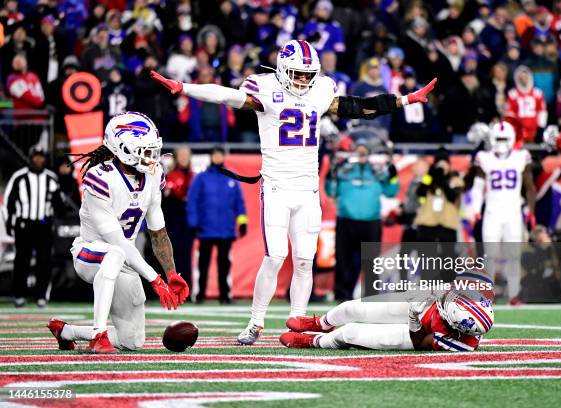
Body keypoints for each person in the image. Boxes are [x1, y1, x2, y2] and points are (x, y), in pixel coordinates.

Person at [151, 39, 437, 345]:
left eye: (307, 74)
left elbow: (358, 107)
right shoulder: (265, 89)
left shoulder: (320, 90)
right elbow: (227, 96)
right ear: (283, 69)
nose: (302, 80)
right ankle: (255, 321)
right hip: (276, 186)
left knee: (304, 260)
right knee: (275, 256)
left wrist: (404, 100)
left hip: (307, 189)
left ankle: (297, 322)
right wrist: (185, 87)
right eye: (297, 73)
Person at [45, 112, 189, 354]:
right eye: (145, 150)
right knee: (114, 254)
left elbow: (158, 232)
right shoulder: (99, 177)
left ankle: (67, 331)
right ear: (123, 148)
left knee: (132, 340)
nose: (152, 157)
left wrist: (171, 272)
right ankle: (98, 336)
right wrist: (155, 279)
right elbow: (117, 242)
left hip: (126, 259)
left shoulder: (153, 176)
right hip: (90, 254)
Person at [279, 286, 494, 351]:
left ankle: (313, 341)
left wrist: (413, 317)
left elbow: (420, 341)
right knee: (353, 308)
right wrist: (420, 296)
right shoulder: (469, 297)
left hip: (416, 334)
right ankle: (320, 323)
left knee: (350, 332)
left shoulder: (460, 343)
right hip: (422, 304)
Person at [470, 121, 536, 304]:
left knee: (514, 255)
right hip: (492, 212)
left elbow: (530, 187)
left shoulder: (521, 156)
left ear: (512, 138)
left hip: (513, 212)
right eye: (498, 138)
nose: (501, 142)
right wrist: (475, 209)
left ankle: (514, 295)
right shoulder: (484, 157)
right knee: (490, 254)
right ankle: (487, 295)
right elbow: (477, 187)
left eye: (504, 138)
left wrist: (531, 210)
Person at [325, 141, 399, 301]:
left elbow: (391, 191)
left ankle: (371, 295)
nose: (361, 155)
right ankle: (342, 296)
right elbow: (330, 190)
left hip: (371, 222)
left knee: (371, 261)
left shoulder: (377, 173)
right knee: (343, 260)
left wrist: (393, 175)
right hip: (346, 220)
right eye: (358, 152)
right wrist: (331, 173)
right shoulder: (344, 171)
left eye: (364, 152)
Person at [2, 147, 64, 308]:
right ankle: (19, 295)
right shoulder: (19, 177)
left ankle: (41, 296)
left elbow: (59, 203)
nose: (38, 160)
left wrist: (59, 217)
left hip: (43, 225)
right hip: (24, 224)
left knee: (44, 261)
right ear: (31, 158)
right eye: (36, 157)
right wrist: (10, 224)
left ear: (45, 159)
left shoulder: (51, 178)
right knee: (22, 260)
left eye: (41, 157)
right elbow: (9, 202)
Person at [187, 147, 247, 304]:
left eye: (220, 154)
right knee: (203, 265)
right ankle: (199, 296)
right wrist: (193, 224)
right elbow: (192, 201)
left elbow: (239, 203)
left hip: (226, 231)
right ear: (211, 156)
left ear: (223, 156)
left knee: (224, 266)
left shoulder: (231, 178)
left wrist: (242, 222)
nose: (218, 157)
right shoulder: (201, 178)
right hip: (205, 230)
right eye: (215, 155)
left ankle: (225, 296)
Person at [162, 146, 194, 295]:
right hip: (173, 222)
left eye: (186, 155)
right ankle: (172, 289)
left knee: (187, 256)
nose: (183, 158)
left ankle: (187, 290)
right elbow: (167, 201)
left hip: (188, 222)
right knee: (172, 256)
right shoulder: (170, 176)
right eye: (181, 155)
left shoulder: (194, 176)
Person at [505, 65, 548, 143]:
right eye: (521, 78)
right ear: (517, 79)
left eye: (525, 77)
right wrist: (513, 128)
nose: (524, 80)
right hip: (518, 131)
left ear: (530, 77)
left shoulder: (537, 93)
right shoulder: (512, 94)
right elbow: (510, 113)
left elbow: (542, 111)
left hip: (534, 130)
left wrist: (540, 128)